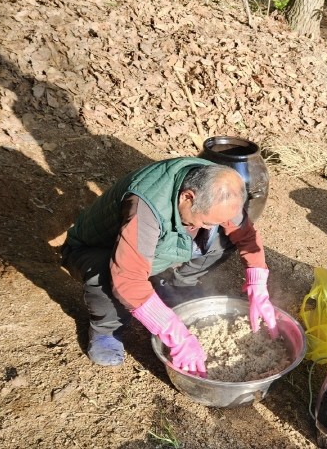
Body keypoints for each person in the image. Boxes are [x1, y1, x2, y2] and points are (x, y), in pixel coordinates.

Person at [61, 157, 277, 376]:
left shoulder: (219, 188)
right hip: (97, 251)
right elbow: (128, 278)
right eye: (207, 221)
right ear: (187, 197)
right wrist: (175, 334)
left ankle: (177, 286)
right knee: (106, 273)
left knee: (224, 238)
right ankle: (106, 331)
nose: (210, 226)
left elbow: (244, 235)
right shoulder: (146, 207)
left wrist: (257, 283)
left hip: (154, 249)